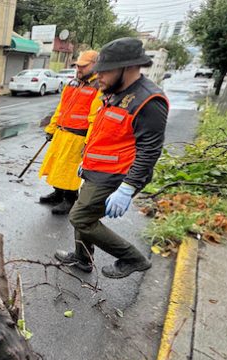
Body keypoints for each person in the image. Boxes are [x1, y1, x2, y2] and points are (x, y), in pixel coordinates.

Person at [55, 37, 169, 279]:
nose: (99, 77)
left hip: (117, 175)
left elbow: (150, 150)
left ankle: (133, 258)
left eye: (104, 72)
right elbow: (106, 134)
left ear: (128, 68)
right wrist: (85, 162)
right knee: (83, 212)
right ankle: (82, 258)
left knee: (80, 217)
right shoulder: (115, 92)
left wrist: (127, 188)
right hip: (97, 169)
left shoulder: (148, 101)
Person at [39, 50, 102, 215]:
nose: (79, 69)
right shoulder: (73, 83)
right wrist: (51, 128)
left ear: (95, 65)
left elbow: (95, 119)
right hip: (62, 132)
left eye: (83, 66)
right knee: (56, 165)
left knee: (70, 170)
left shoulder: (98, 87)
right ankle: (58, 194)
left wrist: (88, 143)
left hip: (78, 136)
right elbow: (61, 108)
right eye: (78, 66)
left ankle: (70, 199)